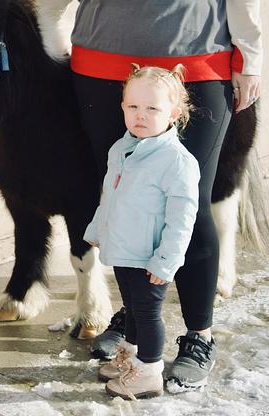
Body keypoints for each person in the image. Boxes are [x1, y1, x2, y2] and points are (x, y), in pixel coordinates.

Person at [31, 0, 267, 391]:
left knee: (189, 201)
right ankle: (139, 324)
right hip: (103, 71)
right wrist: (38, 46)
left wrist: (250, 55)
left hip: (195, 69)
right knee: (124, 203)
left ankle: (199, 335)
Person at [84, 65, 199, 399]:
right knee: (131, 309)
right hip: (123, 249)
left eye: (152, 108)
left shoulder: (176, 161)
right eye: (133, 106)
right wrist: (98, 229)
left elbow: (182, 219)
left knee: (148, 314)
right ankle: (131, 358)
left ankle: (148, 372)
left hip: (150, 257)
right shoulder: (121, 149)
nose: (140, 115)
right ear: (122, 107)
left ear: (173, 114)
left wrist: (166, 261)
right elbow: (110, 198)